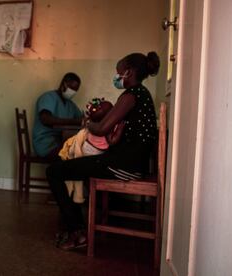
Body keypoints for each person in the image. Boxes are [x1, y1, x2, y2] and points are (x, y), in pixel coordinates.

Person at [47, 52, 160, 250]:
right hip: (133, 163)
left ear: (129, 72)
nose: (116, 77)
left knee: (54, 171)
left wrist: (88, 122)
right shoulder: (142, 94)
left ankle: (78, 232)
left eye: (118, 73)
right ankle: (77, 228)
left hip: (125, 166)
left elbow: (101, 129)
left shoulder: (131, 95)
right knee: (71, 168)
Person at [32, 72, 84, 158]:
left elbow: (80, 119)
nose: (73, 92)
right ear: (64, 84)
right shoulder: (48, 97)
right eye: (72, 88)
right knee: (76, 155)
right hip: (46, 144)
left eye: (75, 90)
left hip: (60, 142)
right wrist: (72, 121)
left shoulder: (70, 105)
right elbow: (45, 119)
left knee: (82, 151)